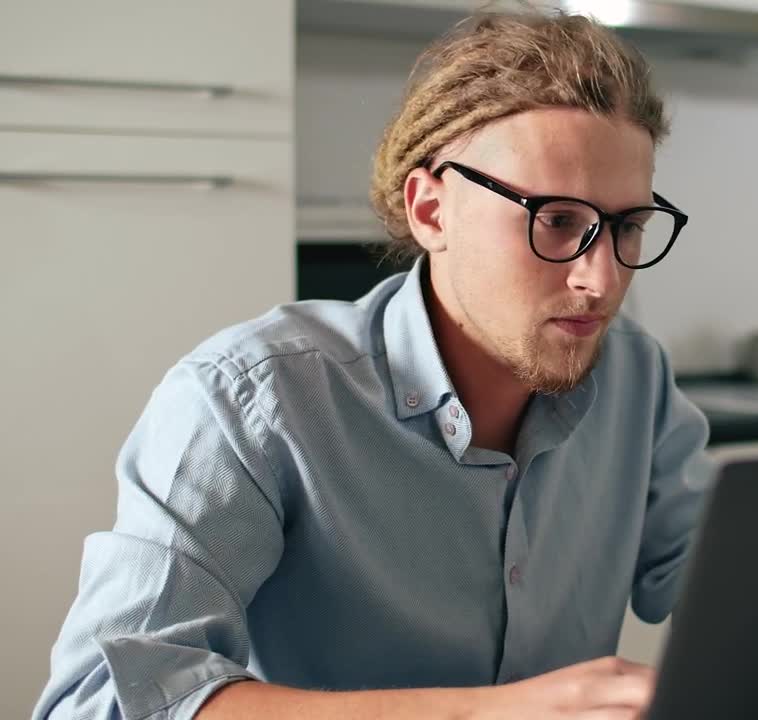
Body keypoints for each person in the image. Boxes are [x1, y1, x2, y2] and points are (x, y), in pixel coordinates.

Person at [34, 8, 710, 719]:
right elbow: (95, 703)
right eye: (557, 221)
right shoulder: (251, 401)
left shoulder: (636, 379)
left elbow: (743, 595)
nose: (600, 281)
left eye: (627, 227)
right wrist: (485, 713)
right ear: (431, 210)